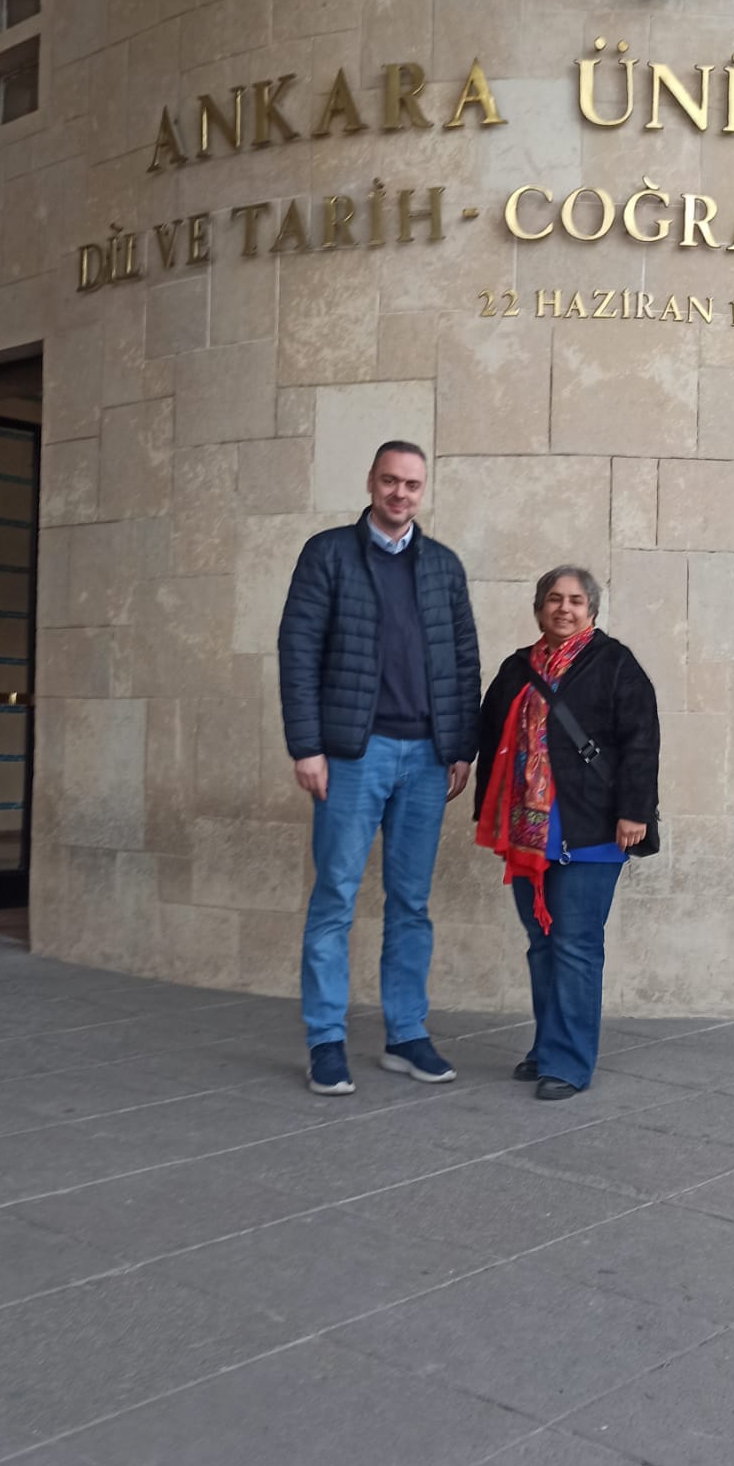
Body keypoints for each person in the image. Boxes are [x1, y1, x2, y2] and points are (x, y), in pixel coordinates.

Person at [278, 441, 480, 1094]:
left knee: (411, 903)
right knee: (335, 897)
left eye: (412, 484)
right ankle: (325, 1041)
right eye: (390, 481)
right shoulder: (328, 554)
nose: (400, 493)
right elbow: (298, 650)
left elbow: (464, 660)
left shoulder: (443, 566)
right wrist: (306, 746)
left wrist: (461, 745)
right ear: (371, 481)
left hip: (425, 758)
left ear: (423, 491)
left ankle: (405, 1034)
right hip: (351, 756)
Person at [475, 567, 660, 1100]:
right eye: (554, 599)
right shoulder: (517, 668)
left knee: (575, 946)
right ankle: (547, 1046)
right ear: (539, 609)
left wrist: (634, 811)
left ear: (591, 611)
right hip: (527, 834)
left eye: (576, 600)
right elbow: (486, 731)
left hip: (594, 829)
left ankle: (569, 1062)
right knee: (542, 945)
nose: (564, 608)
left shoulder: (615, 664)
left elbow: (641, 740)